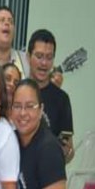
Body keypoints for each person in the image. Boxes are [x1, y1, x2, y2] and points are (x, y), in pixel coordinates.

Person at [26, 29, 74, 163]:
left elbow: (68, 148)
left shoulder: (62, 99)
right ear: (28, 57)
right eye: (39, 56)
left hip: (48, 176)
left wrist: (65, 153)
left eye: (49, 57)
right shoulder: (17, 92)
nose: (44, 63)